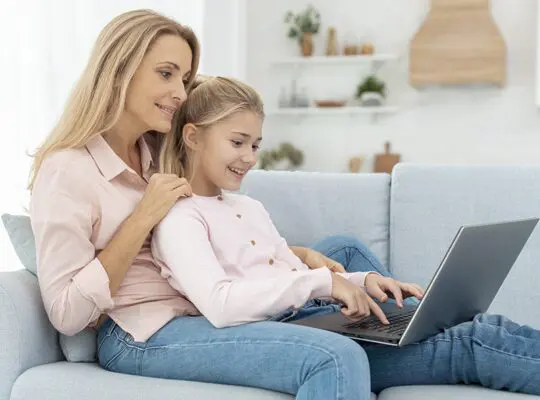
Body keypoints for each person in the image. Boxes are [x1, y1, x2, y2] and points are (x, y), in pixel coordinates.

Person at [27, 9, 393, 399]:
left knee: (343, 250)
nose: (180, 94)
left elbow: (215, 122)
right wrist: (141, 219)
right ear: (120, 69)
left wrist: (300, 254)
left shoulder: (159, 144)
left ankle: (407, 331)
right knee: (332, 354)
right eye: (166, 74)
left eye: (183, 80)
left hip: (209, 295)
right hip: (147, 328)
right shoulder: (67, 170)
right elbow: (67, 314)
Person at [148, 75, 540, 399]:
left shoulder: (249, 207)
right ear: (193, 137)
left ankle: (406, 325)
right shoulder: (181, 217)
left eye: (255, 145)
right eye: (237, 143)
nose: (250, 157)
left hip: (315, 321)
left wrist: (360, 281)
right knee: (474, 341)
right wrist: (324, 281)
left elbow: (290, 272)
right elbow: (221, 304)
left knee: (489, 326)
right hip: (290, 338)